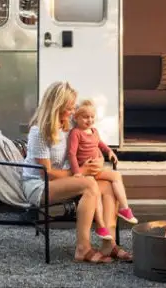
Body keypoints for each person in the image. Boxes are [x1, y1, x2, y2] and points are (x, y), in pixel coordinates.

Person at [21, 81, 133, 263]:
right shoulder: (39, 131)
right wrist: (82, 171)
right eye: (69, 108)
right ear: (57, 106)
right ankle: (83, 248)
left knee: (108, 186)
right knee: (89, 184)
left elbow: (83, 149)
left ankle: (109, 244)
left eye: (73, 108)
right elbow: (46, 173)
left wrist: (97, 161)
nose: (73, 112)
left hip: (63, 180)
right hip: (38, 186)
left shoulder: (67, 128)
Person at [67, 99, 137, 241]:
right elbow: (71, 154)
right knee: (95, 191)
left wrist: (109, 151)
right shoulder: (76, 133)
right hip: (85, 171)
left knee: (116, 175)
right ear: (76, 118)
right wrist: (77, 172)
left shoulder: (94, 131)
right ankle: (101, 225)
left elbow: (101, 144)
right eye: (85, 117)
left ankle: (124, 208)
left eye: (92, 117)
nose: (89, 120)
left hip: (96, 170)